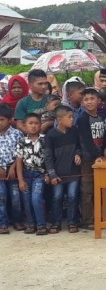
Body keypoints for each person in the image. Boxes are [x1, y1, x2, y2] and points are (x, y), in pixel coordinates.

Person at [44, 106, 82, 234]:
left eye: (72, 117)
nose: (72, 119)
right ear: (59, 119)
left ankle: (72, 221)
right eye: (69, 117)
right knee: (57, 197)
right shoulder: (51, 135)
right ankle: (56, 222)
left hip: (73, 172)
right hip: (58, 174)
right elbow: (48, 156)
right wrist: (52, 174)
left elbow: (79, 146)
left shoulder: (75, 131)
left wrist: (78, 154)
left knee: (72, 196)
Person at [76, 88, 105, 230]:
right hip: (88, 159)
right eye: (86, 100)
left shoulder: (100, 117)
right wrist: (96, 156)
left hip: (100, 158)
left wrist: (104, 151)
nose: (89, 102)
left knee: (99, 188)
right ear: (82, 103)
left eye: (92, 99)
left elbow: (103, 137)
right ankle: (87, 220)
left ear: (98, 100)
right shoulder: (82, 118)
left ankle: (99, 216)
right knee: (87, 189)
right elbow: (86, 140)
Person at [15, 114, 48, 235]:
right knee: (26, 200)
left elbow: (49, 160)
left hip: (39, 175)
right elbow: (19, 162)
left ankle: (41, 225)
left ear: (40, 125)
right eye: (31, 123)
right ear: (24, 125)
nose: (34, 126)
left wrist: (48, 174)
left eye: (36, 123)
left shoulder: (45, 140)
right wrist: (20, 180)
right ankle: (31, 224)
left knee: (36, 198)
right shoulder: (22, 141)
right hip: (25, 175)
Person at [0, 104, 25, 234]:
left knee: (16, 197)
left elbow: (20, 153)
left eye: (2, 119)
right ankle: (2, 223)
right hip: (0, 173)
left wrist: (13, 167)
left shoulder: (17, 134)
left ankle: (17, 220)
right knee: (1, 197)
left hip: (13, 170)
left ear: (9, 119)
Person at [14, 69, 49, 134]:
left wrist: (47, 124)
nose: (44, 86)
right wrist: (34, 135)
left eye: (45, 83)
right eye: (40, 84)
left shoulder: (51, 100)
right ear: (30, 85)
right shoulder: (22, 103)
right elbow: (19, 125)